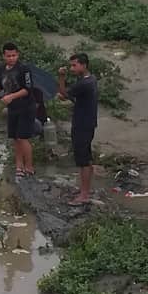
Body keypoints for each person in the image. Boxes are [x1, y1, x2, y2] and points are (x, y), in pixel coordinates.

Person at [0, 42, 39, 179]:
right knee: (15, 138)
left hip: (26, 107)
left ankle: (29, 166)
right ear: (3, 56)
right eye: (8, 56)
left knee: (23, 137)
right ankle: (19, 166)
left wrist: (10, 96)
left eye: (14, 55)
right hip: (12, 108)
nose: (11, 58)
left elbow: (28, 89)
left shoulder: (24, 69)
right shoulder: (1, 69)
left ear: (18, 54)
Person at [56, 53, 99, 205]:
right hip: (87, 123)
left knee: (83, 160)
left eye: (74, 65)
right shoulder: (89, 80)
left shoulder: (84, 83)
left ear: (84, 65)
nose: (71, 68)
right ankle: (85, 189)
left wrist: (61, 77)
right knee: (85, 158)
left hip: (82, 124)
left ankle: (84, 194)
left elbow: (63, 94)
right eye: (71, 65)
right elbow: (71, 96)